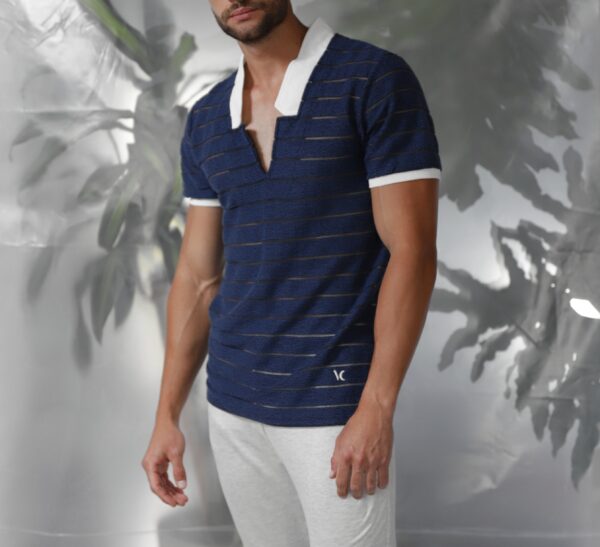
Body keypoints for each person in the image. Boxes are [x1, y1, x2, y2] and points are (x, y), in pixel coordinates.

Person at [142, 1, 441, 545]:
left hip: (333, 404)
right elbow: (198, 278)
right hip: (232, 404)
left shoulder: (373, 80)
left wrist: (376, 407)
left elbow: (413, 252)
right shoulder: (207, 118)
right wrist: (167, 415)